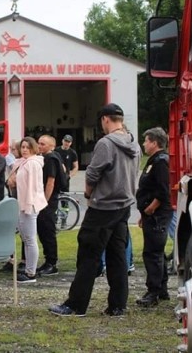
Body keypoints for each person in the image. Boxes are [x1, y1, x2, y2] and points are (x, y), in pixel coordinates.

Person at [49, 103, 140, 317]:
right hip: (123, 206)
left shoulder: (106, 143)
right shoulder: (134, 143)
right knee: (117, 256)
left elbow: (92, 174)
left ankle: (76, 305)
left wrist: (89, 195)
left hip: (103, 207)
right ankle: (118, 305)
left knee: (88, 254)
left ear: (105, 120)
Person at [135, 127, 173, 307]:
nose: (144, 144)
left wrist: (150, 209)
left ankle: (154, 291)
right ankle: (162, 289)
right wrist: (144, 213)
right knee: (157, 252)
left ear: (155, 143)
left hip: (157, 215)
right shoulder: (154, 161)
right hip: (151, 214)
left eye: (146, 141)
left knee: (152, 253)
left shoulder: (160, 162)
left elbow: (163, 190)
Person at [7, 137, 48, 283]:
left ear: (33, 148)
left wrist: (28, 205)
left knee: (30, 239)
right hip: (21, 204)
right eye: (22, 147)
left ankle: (31, 272)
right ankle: (28, 269)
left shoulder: (33, 164)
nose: (24, 149)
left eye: (27, 147)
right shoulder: (22, 163)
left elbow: (33, 187)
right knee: (26, 238)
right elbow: (11, 180)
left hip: (29, 205)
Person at [36, 135, 64, 276]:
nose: (39, 146)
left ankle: (52, 263)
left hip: (49, 199)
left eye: (43, 144)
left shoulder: (50, 158)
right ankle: (48, 261)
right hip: (45, 199)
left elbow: (50, 181)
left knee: (48, 231)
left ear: (51, 146)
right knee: (42, 230)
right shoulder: (48, 157)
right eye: (39, 143)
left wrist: (45, 201)